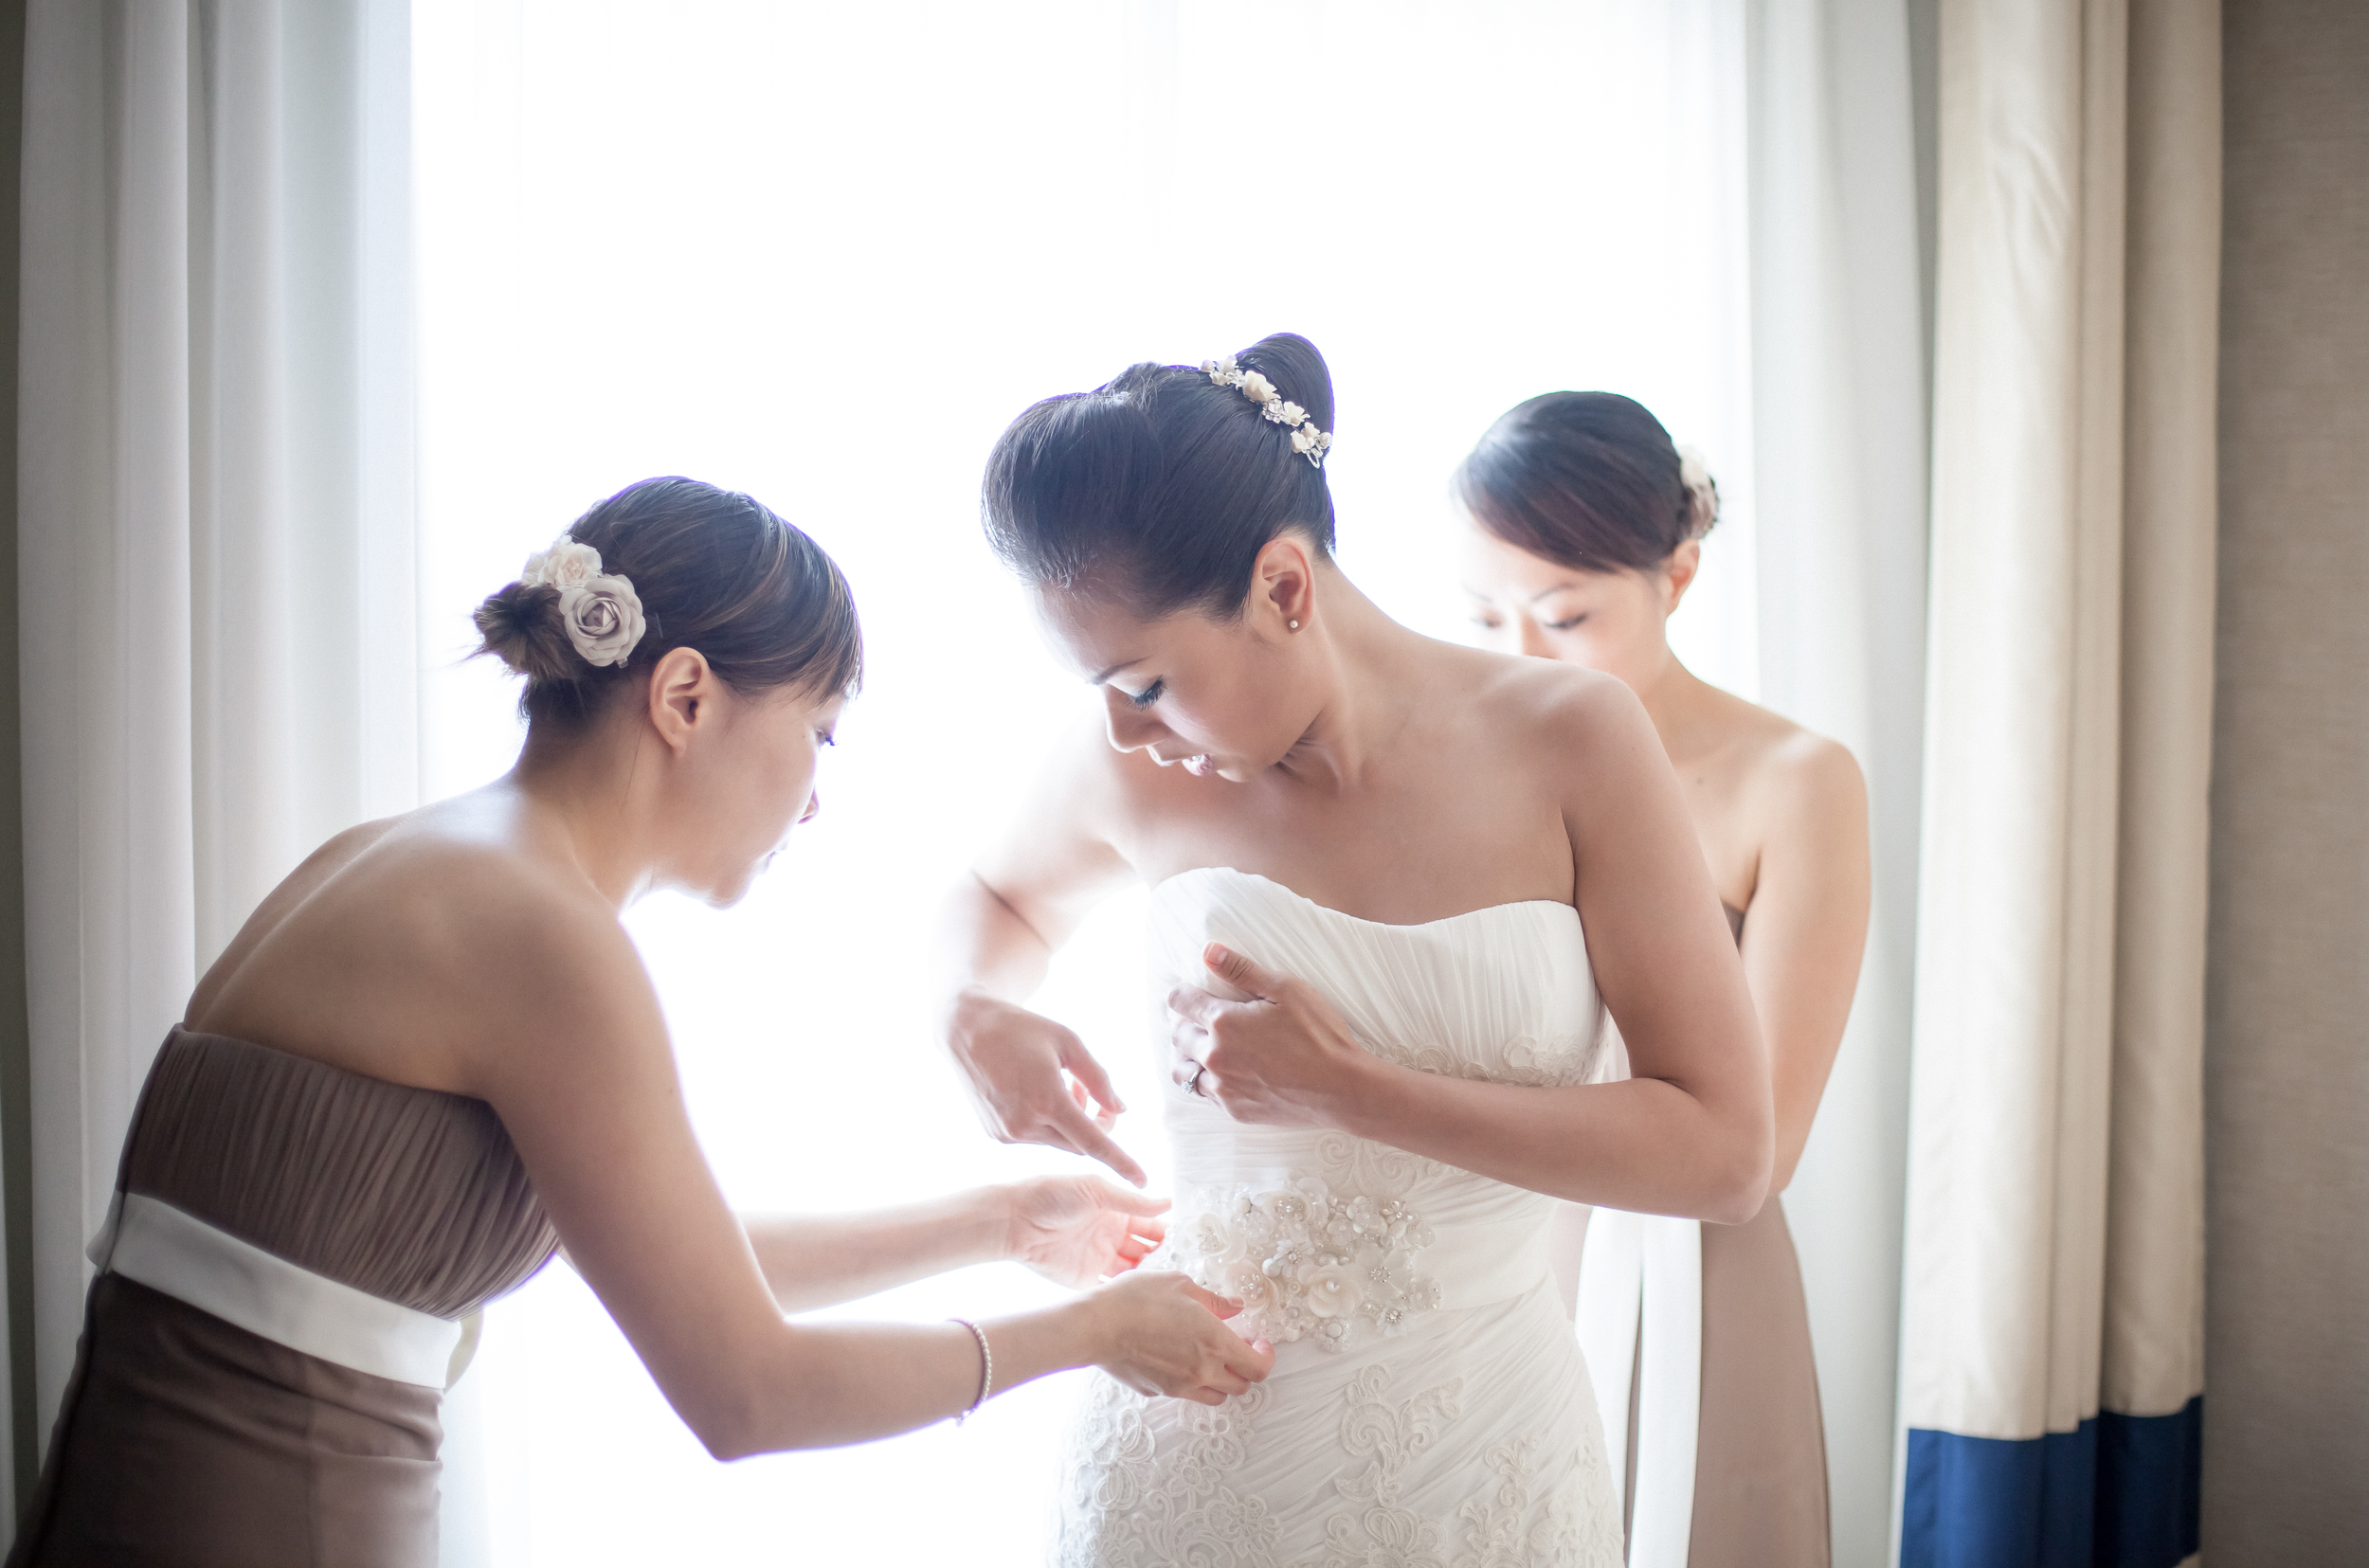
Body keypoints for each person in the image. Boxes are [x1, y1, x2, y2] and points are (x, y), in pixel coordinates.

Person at [8, 477, 1268, 1568]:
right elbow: (748, 1388)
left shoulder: (413, 860)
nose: (817, 798)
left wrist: (997, 1219)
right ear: (682, 695)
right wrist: (1092, 1331)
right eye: (818, 733)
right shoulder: (538, 932)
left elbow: (674, 1247)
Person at [935, 336, 1773, 1565]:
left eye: (1149, 680)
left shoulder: (1574, 742)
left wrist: (1351, 1090)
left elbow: (1724, 1151)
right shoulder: (1131, 760)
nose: (1120, 725)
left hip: (1488, 1455)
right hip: (1192, 1463)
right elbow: (992, 892)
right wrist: (970, 1013)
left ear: (1283, 586)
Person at [1456, 392, 1871, 1568]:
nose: (1518, 658)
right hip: (1485, 1253)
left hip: (1691, 1266)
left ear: (1677, 575)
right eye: (1482, 616)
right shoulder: (1469, 766)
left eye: (1565, 614)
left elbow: (1765, 1145)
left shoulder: (1794, 780)